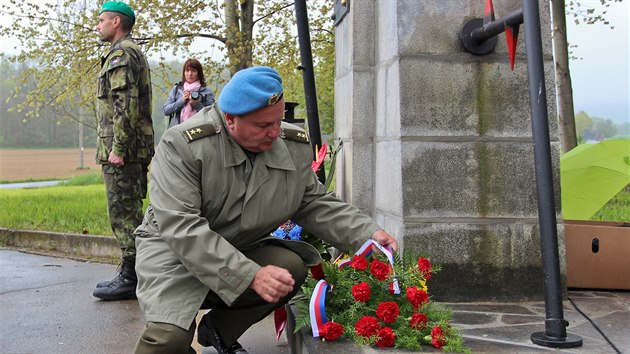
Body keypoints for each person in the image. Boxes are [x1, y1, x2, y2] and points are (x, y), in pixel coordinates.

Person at [132, 66, 397, 354]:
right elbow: (182, 228)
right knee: (167, 340)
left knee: (290, 268)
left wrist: (368, 235)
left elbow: (312, 202)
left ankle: (219, 329)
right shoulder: (183, 145)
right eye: (262, 125)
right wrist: (250, 275)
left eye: (278, 120)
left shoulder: (290, 144)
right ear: (230, 118)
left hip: (237, 245)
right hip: (174, 252)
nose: (275, 133)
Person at [93, 1, 154, 301]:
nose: (98, 24)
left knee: (124, 213)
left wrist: (118, 148)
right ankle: (136, 272)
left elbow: (125, 104)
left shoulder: (122, 54)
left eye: (102, 20)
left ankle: (131, 277)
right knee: (129, 211)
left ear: (116, 22)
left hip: (124, 150)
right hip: (130, 148)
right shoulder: (125, 52)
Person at [163, 58, 215, 128]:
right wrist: (181, 101)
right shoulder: (177, 89)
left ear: (199, 73)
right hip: (179, 131)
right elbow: (166, 110)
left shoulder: (207, 91)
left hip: (200, 132)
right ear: (184, 73)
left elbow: (211, 116)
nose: (190, 74)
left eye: (193, 71)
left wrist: (197, 104)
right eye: (187, 71)